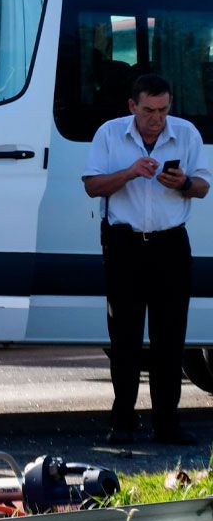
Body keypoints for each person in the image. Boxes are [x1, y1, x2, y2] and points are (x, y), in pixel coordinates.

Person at [82, 73, 211, 446]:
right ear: (132, 106)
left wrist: (183, 183)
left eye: (164, 109)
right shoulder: (110, 134)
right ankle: (122, 421)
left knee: (169, 339)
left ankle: (166, 424)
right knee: (124, 339)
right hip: (125, 245)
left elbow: (203, 186)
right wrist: (129, 173)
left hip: (171, 245)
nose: (157, 118)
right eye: (149, 110)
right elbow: (92, 185)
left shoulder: (185, 133)